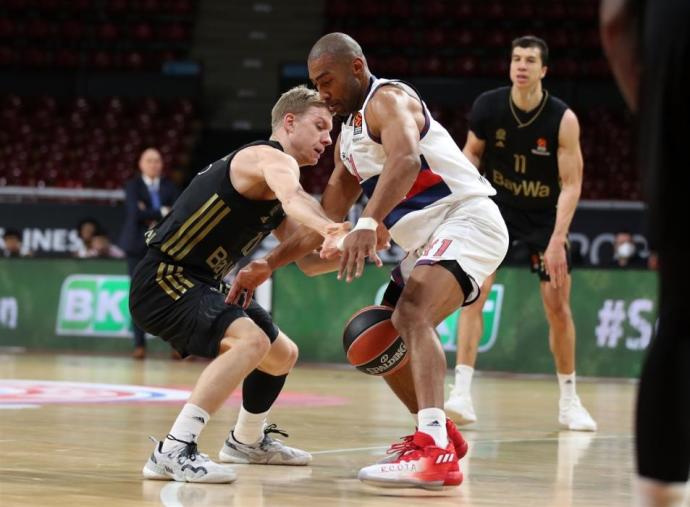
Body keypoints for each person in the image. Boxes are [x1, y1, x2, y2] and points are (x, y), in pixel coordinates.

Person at [230, 32, 509, 490]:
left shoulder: (390, 99)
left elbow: (405, 161)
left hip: (467, 218)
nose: (323, 93)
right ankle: (440, 433)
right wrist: (270, 263)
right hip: (428, 242)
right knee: (374, 340)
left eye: (327, 81)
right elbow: (321, 226)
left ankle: (433, 452)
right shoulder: (348, 144)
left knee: (413, 313)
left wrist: (369, 222)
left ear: (356, 66)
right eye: (316, 85)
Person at [130, 85, 348, 483]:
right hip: (165, 276)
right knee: (252, 342)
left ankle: (246, 441)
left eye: (330, 131)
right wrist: (332, 227)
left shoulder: (274, 190)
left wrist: (349, 246)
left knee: (281, 354)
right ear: (289, 121)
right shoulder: (266, 158)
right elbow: (296, 197)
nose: (326, 139)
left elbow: (310, 263)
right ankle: (174, 449)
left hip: (204, 282)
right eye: (319, 126)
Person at [443, 36, 597, 433]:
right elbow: (471, 154)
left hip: (545, 218)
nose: (521, 66)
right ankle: (460, 392)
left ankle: (569, 401)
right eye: (516, 59)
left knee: (556, 306)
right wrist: (464, 198)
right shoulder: (488, 106)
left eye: (530, 60)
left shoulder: (562, 119)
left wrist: (557, 241)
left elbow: (572, 184)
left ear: (543, 69)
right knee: (473, 293)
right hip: (496, 210)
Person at [601, 1, 690, 505]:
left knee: (678, 319)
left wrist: (656, 112)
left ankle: (658, 493)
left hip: (673, 97)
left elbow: (614, 20)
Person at [119, 148, 180, 359]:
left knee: (170, 294)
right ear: (140, 164)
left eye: (157, 161)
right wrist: (161, 211)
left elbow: (177, 213)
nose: (153, 164)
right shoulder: (132, 186)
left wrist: (152, 212)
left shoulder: (170, 187)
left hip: (164, 246)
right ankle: (139, 345)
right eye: (149, 161)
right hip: (136, 247)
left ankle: (176, 345)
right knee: (137, 295)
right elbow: (135, 214)